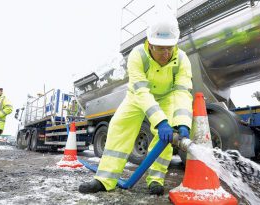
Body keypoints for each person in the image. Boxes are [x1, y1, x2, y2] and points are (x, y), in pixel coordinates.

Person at [79, 11, 193, 195]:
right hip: (137, 96)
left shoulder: (182, 59)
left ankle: (155, 180)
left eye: (169, 47)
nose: (165, 53)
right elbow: (141, 91)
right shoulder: (137, 55)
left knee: (164, 135)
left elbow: (182, 92)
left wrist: (182, 124)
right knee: (119, 126)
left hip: (166, 97)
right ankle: (104, 179)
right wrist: (160, 120)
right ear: (150, 43)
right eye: (160, 48)